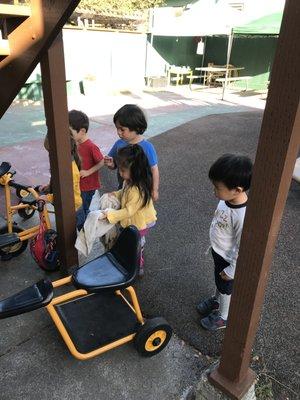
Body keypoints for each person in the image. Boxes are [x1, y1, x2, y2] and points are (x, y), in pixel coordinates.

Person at [197, 154, 253, 331]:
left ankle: (224, 316)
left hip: (229, 260)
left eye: (217, 188)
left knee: (225, 286)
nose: (214, 191)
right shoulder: (226, 200)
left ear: (237, 189)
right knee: (218, 281)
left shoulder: (242, 215)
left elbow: (243, 247)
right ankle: (217, 301)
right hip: (218, 251)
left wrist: (231, 270)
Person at [101, 144, 157, 277]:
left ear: (135, 169)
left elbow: (128, 211)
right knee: (131, 240)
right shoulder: (129, 181)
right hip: (133, 219)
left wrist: (111, 214)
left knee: (137, 243)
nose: (120, 173)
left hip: (139, 222)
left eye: (122, 170)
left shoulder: (137, 190)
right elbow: (123, 192)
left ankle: (138, 263)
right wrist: (115, 194)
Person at [104, 104, 159, 201]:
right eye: (117, 128)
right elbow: (115, 165)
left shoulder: (147, 147)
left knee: (139, 213)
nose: (118, 132)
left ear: (136, 128)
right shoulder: (119, 144)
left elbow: (154, 170)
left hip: (142, 192)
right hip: (123, 188)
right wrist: (111, 164)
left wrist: (154, 190)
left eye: (122, 129)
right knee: (125, 210)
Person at [39, 131, 85, 230]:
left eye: (51, 152)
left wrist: (48, 198)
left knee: (80, 236)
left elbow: (66, 195)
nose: (50, 156)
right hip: (67, 206)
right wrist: (49, 187)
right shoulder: (62, 163)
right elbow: (57, 182)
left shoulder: (70, 171)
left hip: (74, 209)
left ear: (61, 152)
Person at [69, 109, 104, 218]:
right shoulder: (74, 144)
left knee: (82, 209)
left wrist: (88, 172)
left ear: (82, 131)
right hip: (79, 185)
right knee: (79, 208)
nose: (68, 135)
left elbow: (101, 161)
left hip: (88, 186)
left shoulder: (91, 146)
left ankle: (86, 227)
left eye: (70, 132)